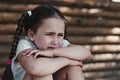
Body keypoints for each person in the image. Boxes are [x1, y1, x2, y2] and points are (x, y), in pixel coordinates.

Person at [2, 5, 92, 80]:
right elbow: (35, 68)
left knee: (74, 68)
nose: (55, 41)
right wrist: (67, 60)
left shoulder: (58, 44)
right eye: (49, 34)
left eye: (60, 35)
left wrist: (52, 52)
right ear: (31, 35)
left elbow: (86, 53)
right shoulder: (25, 44)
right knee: (42, 72)